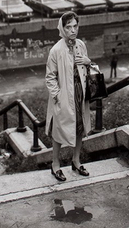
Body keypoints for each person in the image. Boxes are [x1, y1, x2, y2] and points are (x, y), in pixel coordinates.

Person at [45, 11, 92, 182]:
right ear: (62, 28)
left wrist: (88, 62)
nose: (73, 30)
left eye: (75, 26)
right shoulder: (56, 50)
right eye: (68, 26)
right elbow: (50, 77)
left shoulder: (80, 45)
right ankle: (55, 164)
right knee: (58, 130)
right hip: (64, 95)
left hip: (80, 92)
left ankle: (76, 160)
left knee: (79, 127)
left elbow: (86, 68)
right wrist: (57, 96)